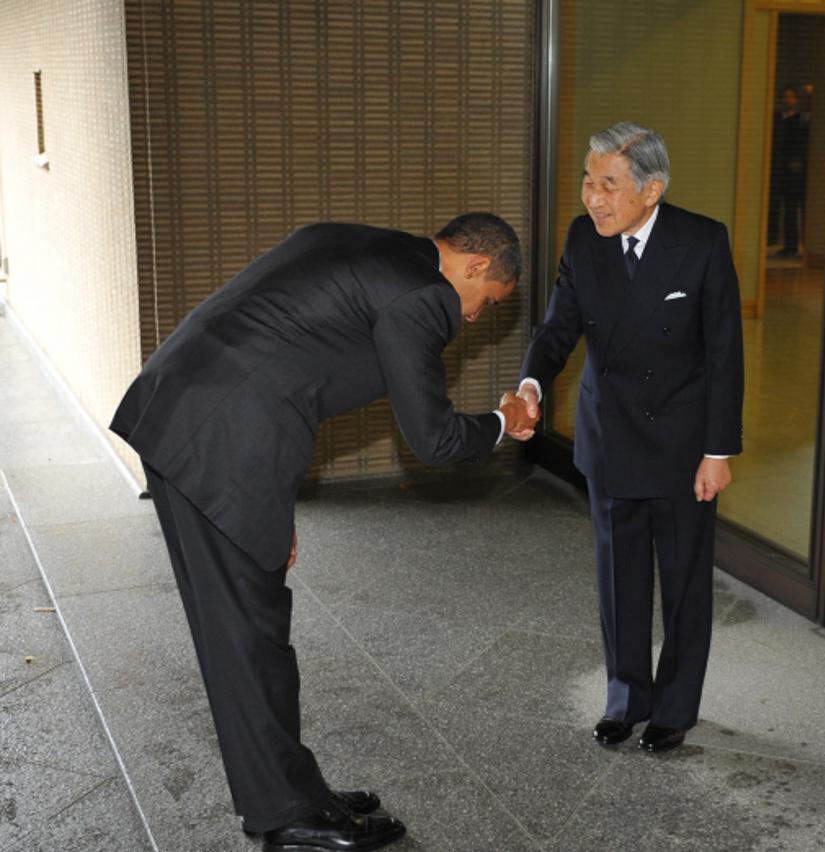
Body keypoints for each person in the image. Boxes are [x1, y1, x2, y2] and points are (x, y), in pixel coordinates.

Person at [110, 214, 534, 851]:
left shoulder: (361, 241)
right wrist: (503, 421)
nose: (471, 318)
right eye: (484, 304)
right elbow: (436, 437)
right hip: (221, 444)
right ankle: (286, 815)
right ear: (476, 266)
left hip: (189, 417)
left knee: (250, 630)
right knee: (249, 638)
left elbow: (282, 358)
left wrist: (272, 504)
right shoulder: (423, 296)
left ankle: (298, 791)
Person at [508, 122, 744, 753]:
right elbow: (559, 327)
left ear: (652, 189)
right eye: (588, 181)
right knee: (620, 578)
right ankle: (626, 697)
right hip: (609, 436)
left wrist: (718, 452)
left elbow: (725, 354)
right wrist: (531, 385)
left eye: (608, 184)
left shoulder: (701, 242)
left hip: (681, 445)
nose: (592, 196)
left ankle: (674, 708)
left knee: (685, 581)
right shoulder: (585, 239)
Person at [768, 85, 811, 257]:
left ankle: (791, 245)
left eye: (791, 97)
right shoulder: (775, 119)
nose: (788, 100)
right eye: (784, 97)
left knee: (792, 208)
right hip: (776, 169)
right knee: (773, 206)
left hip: (794, 173)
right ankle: (773, 239)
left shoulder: (801, 121)